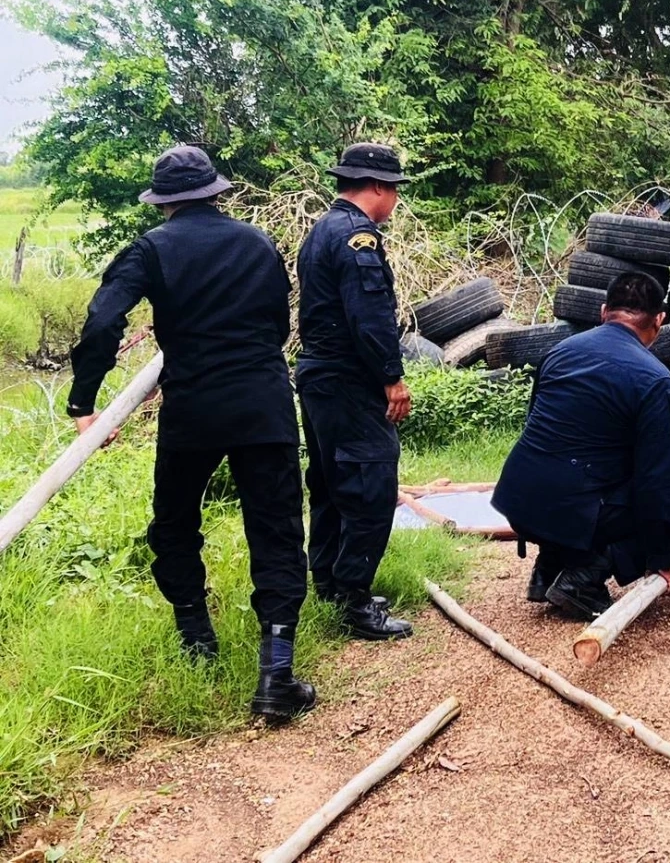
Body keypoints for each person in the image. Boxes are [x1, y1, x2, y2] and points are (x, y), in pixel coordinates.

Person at [67, 145, 314, 720]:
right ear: (215, 193)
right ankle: (276, 676)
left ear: (162, 202)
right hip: (263, 404)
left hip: (193, 409)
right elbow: (280, 323)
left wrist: (84, 402)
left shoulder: (151, 249)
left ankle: (197, 640)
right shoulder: (258, 243)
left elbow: (103, 322)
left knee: (175, 525)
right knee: (277, 533)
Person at [491, 273, 670, 620]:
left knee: (579, 474)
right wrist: (660, 558)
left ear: (604, 311)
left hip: (518, 502)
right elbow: (658, 480)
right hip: (569, 507)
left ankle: (550, 567)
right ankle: (583, 578)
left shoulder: (559, 352)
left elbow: (537, 426)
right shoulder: (654, 379)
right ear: (659, 321)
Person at [295, 142, 414, 641]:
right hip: (348, 379)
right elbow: (369, 315)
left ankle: (329, 584)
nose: (395, 202)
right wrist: (392, 376)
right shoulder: (358, 238)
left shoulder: (322, 229)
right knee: (371, 485)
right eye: (395, 191)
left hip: (319, 377)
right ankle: (354, 600)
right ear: (379, 187)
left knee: (329, 483)